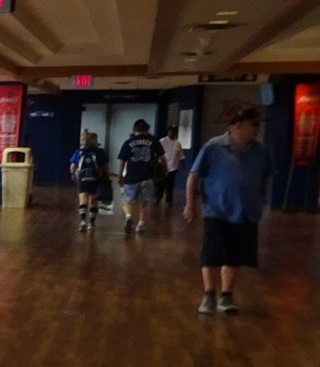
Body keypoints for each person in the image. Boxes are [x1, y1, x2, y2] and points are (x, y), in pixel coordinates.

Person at [185, 106, 274, 315]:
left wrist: (262, 199)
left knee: (236, 256)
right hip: (217, 210)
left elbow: (266, 175)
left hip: (246, 212)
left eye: (258, 125)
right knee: (211, 254)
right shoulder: (214, 147)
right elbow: (193, 176)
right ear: (237, 126)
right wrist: (190, 204)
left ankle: (227, 296)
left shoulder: (259, 151)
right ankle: (209, 294)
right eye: (253, 125)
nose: (257, 129)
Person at [117, 118, 165, 234]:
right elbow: (162, 158)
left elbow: (122, 161)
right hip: (148, 177)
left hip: (131, 177)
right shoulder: (153, 141)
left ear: (134, 129)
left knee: (126, 200)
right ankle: (140, 225)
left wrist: (120, 175)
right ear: (147, 129)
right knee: (144, 202)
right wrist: (164, 170)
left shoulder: (128, 142)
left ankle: (128, 216)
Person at [68, 131, 108, 232]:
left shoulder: (78, 152)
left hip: (82, 179)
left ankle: (82, 221)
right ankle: (91, 224)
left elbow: (72, 167)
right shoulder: (100, 152)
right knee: (93, 201)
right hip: (95, 179)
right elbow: (104, 167)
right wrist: (105, 178)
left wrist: (73, 175)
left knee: (83, 200)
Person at [157, 124, 186, 209]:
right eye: (171, 131)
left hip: (173, 166)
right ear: (168, 131)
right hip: (162, 166)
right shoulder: (162, 141)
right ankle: (158, 197)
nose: (172, 132)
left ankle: (169, 200)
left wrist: (184, 167)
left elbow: (181, 156)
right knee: (160, 184)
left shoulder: (177, 143)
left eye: (174, 131)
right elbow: (157, 154)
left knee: (170, 184)